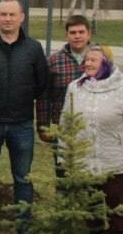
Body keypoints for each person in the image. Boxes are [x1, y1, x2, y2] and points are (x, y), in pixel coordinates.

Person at [0, 0, 47, 234]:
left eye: (12, 14)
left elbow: (41, 84)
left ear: (21, 17)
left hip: (21, 124)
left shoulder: (33, 48)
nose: (7, 19)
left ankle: (24, 224)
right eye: (3, 14)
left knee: (23, 177)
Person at [63, 46, 123, 234]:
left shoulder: (121, 89)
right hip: (85, 154)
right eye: (87, 60)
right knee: (91, 197)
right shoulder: (75, 87)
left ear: (105, 64)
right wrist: (65, 154)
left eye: (94, 60)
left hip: (113, 156)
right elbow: (66, 121)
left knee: (115, 197)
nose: (88, 64)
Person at [37, 15, 93, 144]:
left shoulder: (100, 59)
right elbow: (44, 96)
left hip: (92, 126)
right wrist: (43, 126)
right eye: (73, 32)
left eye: (81, 32)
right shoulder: (54, 61)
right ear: (67, 35)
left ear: (89, 34)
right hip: (63, 126)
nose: (77, 36)